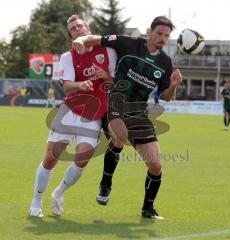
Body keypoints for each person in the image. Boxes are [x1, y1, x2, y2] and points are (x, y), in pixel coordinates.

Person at [73, 16, 183, 219]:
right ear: (149, 32)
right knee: (119, 137)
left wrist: (174, 84)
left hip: (140, 110)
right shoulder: (127, 42)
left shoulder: (165, 62)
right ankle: (106, 183)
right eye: (159, 33)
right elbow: (95, 39)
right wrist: (81, 41)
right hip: (116, 100)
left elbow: (165, 97)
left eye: (167, 36)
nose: (163, 38)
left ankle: (148, 209)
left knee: (156, 165)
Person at [29, 14, 117, 217]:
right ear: (71, 35)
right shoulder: (67, 56)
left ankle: (58, 193)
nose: (77, 30)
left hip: (94, 114)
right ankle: (36, 201)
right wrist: (81, 85)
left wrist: (106, 77)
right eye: (73, 29)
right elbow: (68, 87)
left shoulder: (108, 51)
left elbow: (113, 83)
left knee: (83, 158)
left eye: (80, 26)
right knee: (51, 158)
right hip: (70, 111)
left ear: (88, 28)